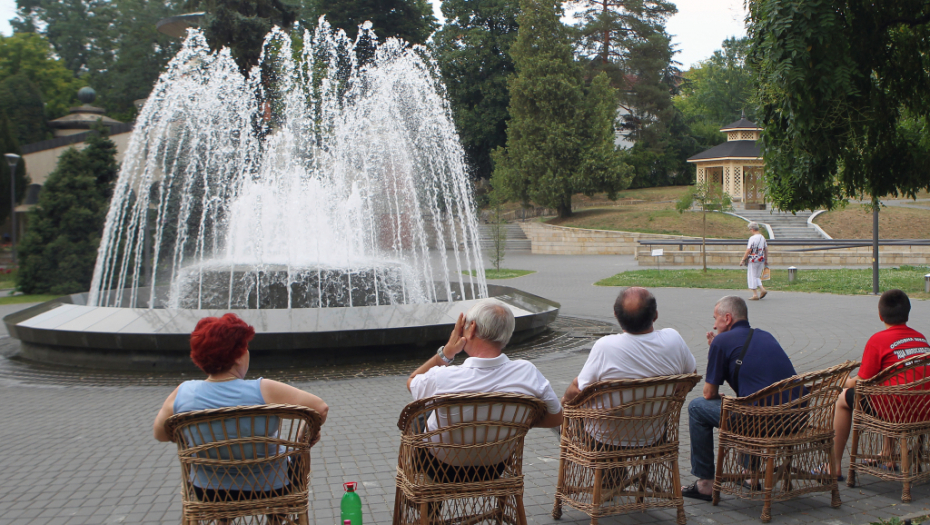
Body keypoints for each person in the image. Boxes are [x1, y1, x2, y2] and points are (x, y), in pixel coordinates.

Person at [153, 313, 329, 502]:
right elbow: (320, 408)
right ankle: (278, 518)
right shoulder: (265, 390)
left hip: (208, 492)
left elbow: (161, 434)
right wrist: (307, 435)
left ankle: (224, 519)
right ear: (237, 357)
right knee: (296, 457)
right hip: (270, 488)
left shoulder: (183, 392)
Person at [406, 299, 563, 480]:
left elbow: (412, 381)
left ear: (471, 328)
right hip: (494, 466)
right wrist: (515, 422)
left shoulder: (444, 377)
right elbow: (556, 418)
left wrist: (447, 352)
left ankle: (425, 493)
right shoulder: (528, 373)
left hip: (441, 467)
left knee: (419, 415)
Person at [682, 296, 796, 501]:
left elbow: (708, 394)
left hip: (765, 421)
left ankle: (705, 483)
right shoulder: (765, 335)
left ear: (727, 318)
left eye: (715, 318)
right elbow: (752, 387)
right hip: (795, 417)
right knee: (746, 404)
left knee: (697, 407)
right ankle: (750, 476)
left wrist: (715, 351)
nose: (713, 324)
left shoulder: (722, 341)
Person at [830, 290, 930, 479]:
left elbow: (862, 380)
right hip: (924, 408)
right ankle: (887, 454)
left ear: (880, 315)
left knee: (843, 398)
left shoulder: (878, 340)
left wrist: (844, 381)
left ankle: (834, 466)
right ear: (908, 313)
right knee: (890, 386)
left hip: (898, 411)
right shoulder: (920, 338)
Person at [561, 287, 696, 406]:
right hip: (658, 430)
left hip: (605, 433)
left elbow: (579, 389)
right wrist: (669, 394)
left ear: (616, 315)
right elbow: (691, 376)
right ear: (655, 315)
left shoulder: (605, 347)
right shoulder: (673, 339)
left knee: (560, 417)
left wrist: (564, 399)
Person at [740, 222, 768, 300]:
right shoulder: (762, 237)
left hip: (753, 259)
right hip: (761, 259)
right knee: (757, 276)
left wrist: (743, 260)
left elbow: (749, 250)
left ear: (752, 229)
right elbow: (766, 249)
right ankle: (762, 289)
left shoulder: (752, 238)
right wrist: (766, 259)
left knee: (752, 276)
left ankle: (755, 294)